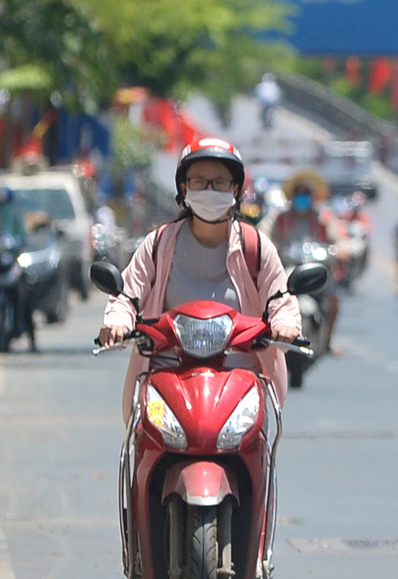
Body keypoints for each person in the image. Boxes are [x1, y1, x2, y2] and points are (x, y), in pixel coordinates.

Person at [96, 139, 303, 417]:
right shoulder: (159, 244)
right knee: (146, 443)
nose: (210, 191)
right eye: (199, 182)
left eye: (219, 182)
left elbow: (280, 300)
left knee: (257, 449)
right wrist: (118, 322)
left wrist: (285, 324)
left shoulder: (256, 246)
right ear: (184, 188)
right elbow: (127, 295)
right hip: (166, 377)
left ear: (236, 189)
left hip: (241, 382)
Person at [265, 169, 343, 353]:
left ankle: (328, 342)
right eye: (299, 193)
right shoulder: (280, 217)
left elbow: (339, 238)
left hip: (316, 269)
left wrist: (342, 249)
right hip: (289, 267)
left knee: (333, 299)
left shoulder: (322, 218)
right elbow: (263, 233)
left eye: (306, 193)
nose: (302, 197)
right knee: (274, 296)